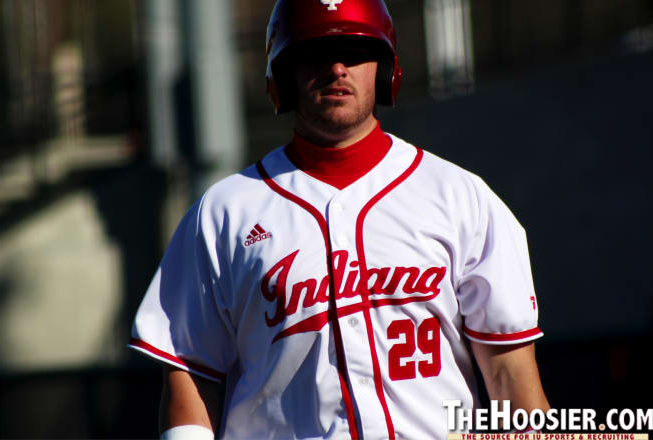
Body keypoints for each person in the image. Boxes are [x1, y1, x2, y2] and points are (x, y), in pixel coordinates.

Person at [129, 0, 550, 438]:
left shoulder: (460, 197)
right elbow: (189, 373)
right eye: (315, 51)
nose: (337, 68)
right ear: (284, 71)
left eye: (354, 49)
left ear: (383, 66)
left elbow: (510, 376)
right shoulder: (223, 213)